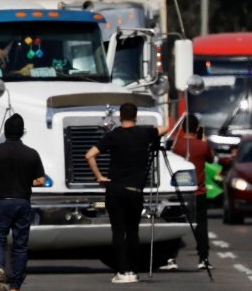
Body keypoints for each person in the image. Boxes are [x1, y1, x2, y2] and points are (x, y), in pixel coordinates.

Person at [84, 102, 170, 284]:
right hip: (135, 191)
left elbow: (89, 155)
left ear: (119, 117)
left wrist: (99, 177)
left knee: (118, 231)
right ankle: (133, 270)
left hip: (115, 189)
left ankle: (122, 271)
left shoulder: (113, 135)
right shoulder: (144, 133)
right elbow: (165, 128)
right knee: (133, 232)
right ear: (136, 117)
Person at [0, 114, 45, 291]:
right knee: (20, 246)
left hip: (0, 203)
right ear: (22, 132)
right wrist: (25, 181)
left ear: (6, 132)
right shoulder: (31, 153)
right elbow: (40, 180)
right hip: (22, 202)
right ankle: (15, 286)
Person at [166, 114, 212, 272]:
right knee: (201, 226)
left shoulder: (176, 145)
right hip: (198, 191)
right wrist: (202, 139)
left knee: (174, 224)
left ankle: (170, 257)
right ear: (197, 128)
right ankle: (203, 258)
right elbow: (211, 159)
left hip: (178, 192)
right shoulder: (203, 145)